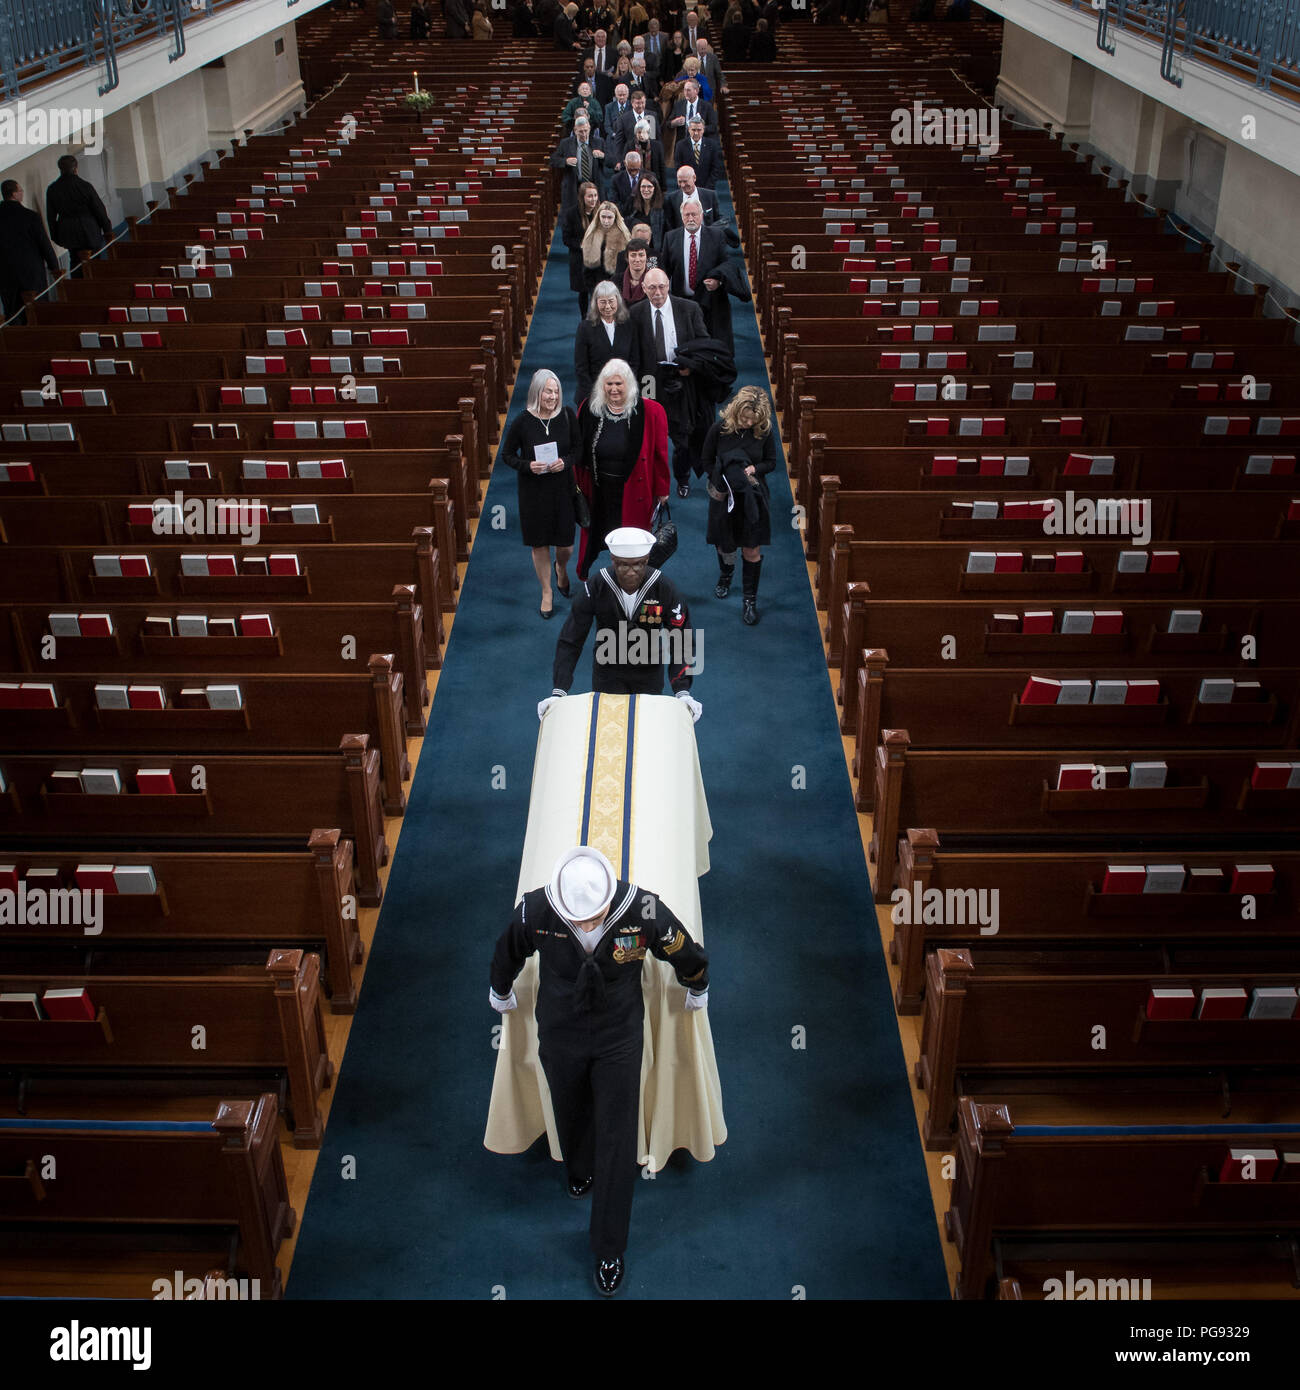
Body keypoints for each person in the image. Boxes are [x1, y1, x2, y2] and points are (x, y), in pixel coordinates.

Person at [489, 843, 709, 1295]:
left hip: (618, 1036)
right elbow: (508, 949)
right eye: (578, 919)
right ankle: (578, 1167)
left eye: (594, 917)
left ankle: (609, 1246)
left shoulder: (642, 905)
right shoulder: (537, 908)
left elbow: (677, 943)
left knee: (617, 1132)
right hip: (561, 1029)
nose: (587, 925)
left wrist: (697, 980)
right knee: (568, 1105)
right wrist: (500, 990)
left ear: (609, 898)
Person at [572, 360, 669, 579]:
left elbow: (660, 454)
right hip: (599, 491)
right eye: (609, 384)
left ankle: (631, 581)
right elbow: (579, 451)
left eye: (619, 383)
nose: (614, 389)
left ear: (629, 385)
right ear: (601, 386)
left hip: (635, 492)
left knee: (631, 544)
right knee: (599, 536)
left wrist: (662, 489)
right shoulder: (589, 408)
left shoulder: (652, 411)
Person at [501, 371, 580, 618]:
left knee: (566, 545)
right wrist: (527, 465)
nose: (553, 396)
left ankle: (561, 568)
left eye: (556, 392)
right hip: (533, 492)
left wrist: (565, 462)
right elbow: (507, 455)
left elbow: (579, 450)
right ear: (537, 391)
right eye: (548, 391)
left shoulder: (567, 416)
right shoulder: (523, 421)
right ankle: (546, 591)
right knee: (539, 544)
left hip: (562, 489)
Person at [703, 384, 775, 624]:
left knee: (751, 549)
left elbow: (771, 462)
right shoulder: (719, 429)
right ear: (735, 411)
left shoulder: (763, 432)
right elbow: (706, 459)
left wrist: (755, 468)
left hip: (752, 497)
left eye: (751, 420)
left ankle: (749, 600)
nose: (746, 423)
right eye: (743, 418)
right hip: (724, 497)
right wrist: (720, 479)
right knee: (725, 546)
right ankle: (726, 575)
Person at [631, 268, 707, 496]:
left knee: (682, 436)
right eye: (652, 288)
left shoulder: (689, 309)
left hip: (680, 378)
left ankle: (682, 478)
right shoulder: (635, 313)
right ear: (643, 289)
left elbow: (703, 344)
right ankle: (651, 481)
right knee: (650, 436)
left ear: (668, 285)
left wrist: (689, 367)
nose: (657, 292)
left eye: (661, 286)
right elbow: (633, 354)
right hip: (649, 380)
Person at [0, 180, 60, 325]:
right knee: (37, 310)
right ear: (14, 194)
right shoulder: (30, 216)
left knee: (13, 313)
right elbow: (44, 243)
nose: (22, 193)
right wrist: (55, 267)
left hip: (6, 273)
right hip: (31, 271)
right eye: (20, 190)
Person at [575, 282, 640, 405]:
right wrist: (597, 395)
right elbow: (581, 368)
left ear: (618, 300)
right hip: (593, 395)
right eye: (603, 302)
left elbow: (634, 361)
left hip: (624, 393)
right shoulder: (584, 328)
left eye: (611, 301)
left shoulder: (629, 325)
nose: (608, 306)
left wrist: (624, 388)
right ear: (595, 303)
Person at [45, 156, 112, 276]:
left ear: (60, 169)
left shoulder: (53, 189)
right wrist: (107, 229)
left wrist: (55, 236)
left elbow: (51, 216)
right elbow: (99, 209)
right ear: (76, 169)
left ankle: (78, 288)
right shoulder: (85, 186)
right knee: (95, 261)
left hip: (68, 231)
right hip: (89, 228)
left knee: (75, 262)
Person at [562, 180, 602, 316]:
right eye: (590, 196)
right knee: (584, 291)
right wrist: (581, 245)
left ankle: (599, 317)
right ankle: (584, 318)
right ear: (582, 197)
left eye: (595, 196)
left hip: (599, 259)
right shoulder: (571, 214)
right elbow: (566, 239)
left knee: (598, 291)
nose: (593, 199)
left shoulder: (602, 211)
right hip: (580, 259)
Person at [581, 201, 630, 308]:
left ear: (615, 218)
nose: (606, 221)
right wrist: (594, 291)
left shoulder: (624, 236)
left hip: (618, 287)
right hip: (597, 286)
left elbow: (627, 267)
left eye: (609, 217)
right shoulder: (591, 234)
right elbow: (586, 269)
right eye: (603, 217)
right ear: (598, 217)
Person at [552, 116, 605, 213]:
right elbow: (554, 160)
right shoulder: (566, 143)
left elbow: (612, 161)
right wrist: (566, 161)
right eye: (581, 131)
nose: (584, 134)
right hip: (573, 186)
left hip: (594, 184)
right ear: (575, 130)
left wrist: (602, 155)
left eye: (586, 130)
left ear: (589, 128)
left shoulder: (599, 142)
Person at [673, 115, 724, 191]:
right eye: (693, 130)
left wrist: (707, 187)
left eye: (699, 130)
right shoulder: (680, 145)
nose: (696, 133)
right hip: (687, 188)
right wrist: (687, 184)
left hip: (707, 188)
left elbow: (715, 169)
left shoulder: (712, 145)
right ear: (689, 129)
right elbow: (678, 167)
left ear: (703, 130)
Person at [628, 174, 666, 255]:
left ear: (654, 188)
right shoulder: (632, 203)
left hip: (655, 251)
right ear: (639, 188)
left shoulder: (663, 206)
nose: (646, 189)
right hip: (636, 252)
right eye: (643, 186)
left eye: (649, 187)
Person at [621, 237, 651, 306]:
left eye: (641, 255)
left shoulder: (653, 280)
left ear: (647, 257)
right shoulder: (616, 280)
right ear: (627, 258)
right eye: (633, 255)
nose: (637, 259)